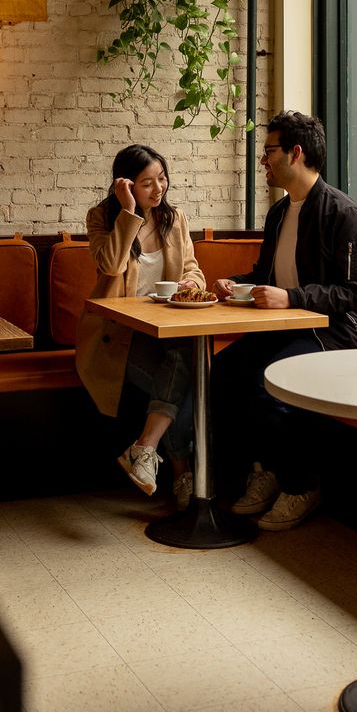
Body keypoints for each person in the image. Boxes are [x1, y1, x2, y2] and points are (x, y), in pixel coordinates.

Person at [211, 111, 357, 531]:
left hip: (337, 331)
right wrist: (239, 285)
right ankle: (266, 469)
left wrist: (293, 298)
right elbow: (269, 276)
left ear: (295, 153)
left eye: (269, 151)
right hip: (287, 327)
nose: (263, 161)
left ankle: (302, 485)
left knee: (271, 386)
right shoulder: (278, 214)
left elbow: (355, 292)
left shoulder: (344, 213)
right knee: (225, 372)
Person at [76, 143, 206, 510]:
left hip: (167, 332)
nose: (158, 189)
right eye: (147, 183)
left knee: (185, 361)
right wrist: (129, 213)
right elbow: (111, 266)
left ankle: (145, 449)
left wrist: (191, 284)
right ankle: (182, 474)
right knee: (186, 385)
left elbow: (193, 267)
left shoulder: (174, 218)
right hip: (117, 336)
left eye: (161, 178)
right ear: (126, 185)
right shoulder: (102, 217)